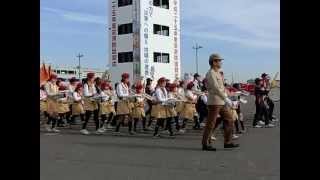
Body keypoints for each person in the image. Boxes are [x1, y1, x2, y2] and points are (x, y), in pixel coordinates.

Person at [202, 53, 239, 151]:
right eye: (219, 60)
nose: (220, 62)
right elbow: (216, 88)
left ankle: (228, 142)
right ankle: (205, 144)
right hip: (214, 102)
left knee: (229, 119)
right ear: (214, 62)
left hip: (221, 101)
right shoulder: (210, 73)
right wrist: (226, 98)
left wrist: (227, 97)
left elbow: (222, 88)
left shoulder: (218, 72)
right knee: (211, 123)